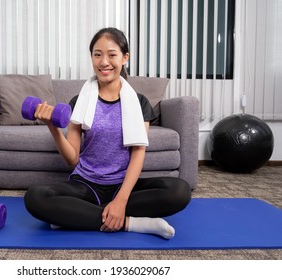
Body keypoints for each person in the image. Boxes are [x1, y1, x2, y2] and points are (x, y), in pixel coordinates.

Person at [24, 27, 191, 239]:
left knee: (180, 191)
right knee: (35, 197)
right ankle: (132, 223)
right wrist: (52, 127)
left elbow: (138, 153)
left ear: (125, 58)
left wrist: (121, 200)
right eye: (97, 54)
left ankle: (74, 218)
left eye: (112, 54)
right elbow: (73, 160)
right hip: (86, 186)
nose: (104, 62)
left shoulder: (139, 103)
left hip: (124, 186)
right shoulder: (80, 101)